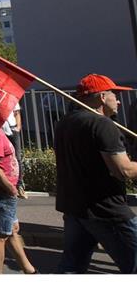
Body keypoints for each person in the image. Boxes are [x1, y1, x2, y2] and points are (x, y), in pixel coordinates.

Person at [54, 74, 137, 274]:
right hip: (106, 212)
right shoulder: (102, 124)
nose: (117, 100)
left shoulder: (64, 123)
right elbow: (122, 169)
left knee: (72, 268)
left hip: (75, 208)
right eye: (114, 95)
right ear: (101, 97)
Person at [0, 132, 36, 274]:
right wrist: (11, 189)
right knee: (0, 234)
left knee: (11, 230)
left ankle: (29, 270)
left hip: (3, 191)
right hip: (0, 192)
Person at [2, 103, 27, 198]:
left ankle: (19, 185)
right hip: (1, 130)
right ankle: (6, 185)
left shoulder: (12, 97)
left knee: (17, 157)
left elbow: (17, 113)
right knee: (2, 157)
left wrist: (18, 128)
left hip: (13, 129)